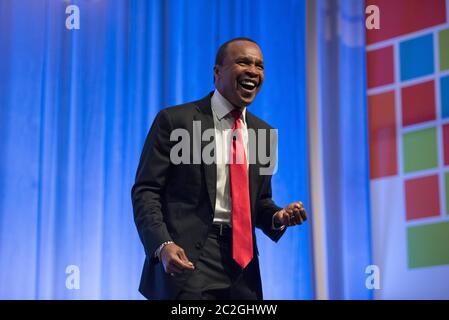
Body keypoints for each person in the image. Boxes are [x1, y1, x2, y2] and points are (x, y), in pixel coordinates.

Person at [131, 37, 307, 300]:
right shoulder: (176, 121)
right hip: (188, 260)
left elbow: (258, 202)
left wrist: (277, 216)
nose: (253, 71)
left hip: (243, 266)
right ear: (217, 72)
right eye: (243, 62)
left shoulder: (264, 134)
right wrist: (162, 245)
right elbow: (146, 191)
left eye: (259, 66)